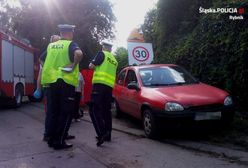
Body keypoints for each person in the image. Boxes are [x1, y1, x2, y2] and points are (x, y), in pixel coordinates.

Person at [41, 24, 83, 150]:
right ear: (70, 33)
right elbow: (79, 54)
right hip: (65, 81)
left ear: (60, 33)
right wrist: (74, 64)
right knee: (65, 112)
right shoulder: (70, 44)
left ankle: (51, 139)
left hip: (51, 82)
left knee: (53, 111)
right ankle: (59, 141)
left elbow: (41, 60)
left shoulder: (50, 46)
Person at [89, 40, 118, 147]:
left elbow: (91, 66)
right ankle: (107, 134)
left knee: (93, 109)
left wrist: (93, 64)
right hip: (109, 87)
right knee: (106, 110)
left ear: (103, 47)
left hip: (99, 85)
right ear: (110, 48)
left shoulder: (101, 54)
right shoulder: (114, 60)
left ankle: (101, 133)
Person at [33, 35, 61, 99]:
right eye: (58, 40)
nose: (59, 42)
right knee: (41, 71)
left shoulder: (59, 49)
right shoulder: (50, 48)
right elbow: (40, 59)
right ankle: (38, 89)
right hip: (46, 65)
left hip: (53, 68)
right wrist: (45, 66)